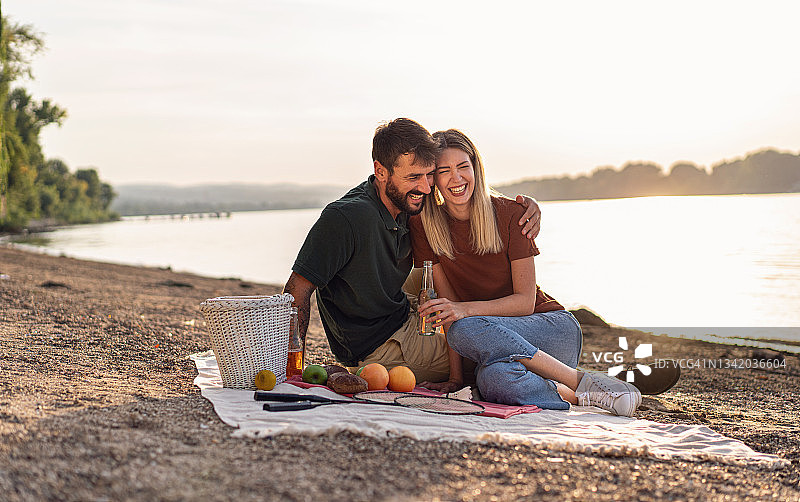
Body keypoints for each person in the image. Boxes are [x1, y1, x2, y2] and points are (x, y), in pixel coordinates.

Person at [283, 118, 542, 383]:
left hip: (403, 313)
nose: (427, 187)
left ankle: (516, 326)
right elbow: (297, 290)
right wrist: (292, 368)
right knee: (478, 353)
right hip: (382, 344)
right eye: (414, 177)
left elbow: (460, 206)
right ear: (381, 171)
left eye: (430, 174)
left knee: (449, 270)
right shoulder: (346, 218)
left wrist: (525, 207)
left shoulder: (409, 203)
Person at [410, 129, 641, 416]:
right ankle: (579, 395)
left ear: (476, 169)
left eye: (463, 167)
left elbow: (524, 302)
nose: (456, 178)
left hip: (549, 328)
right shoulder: (425, 227)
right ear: (433, 179)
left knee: (464, 325)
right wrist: (456, 380)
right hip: (489, 338)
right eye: (444, 171)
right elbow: (450, 311)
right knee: (492, 380)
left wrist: (462, 311)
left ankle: (582, 381)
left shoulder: (511, 214)